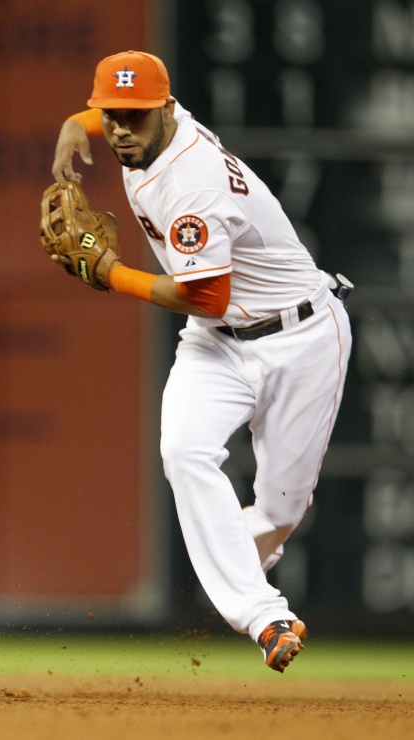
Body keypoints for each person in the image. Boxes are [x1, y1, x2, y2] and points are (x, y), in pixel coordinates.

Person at [50, 51, 352, 671]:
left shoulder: (194, 183)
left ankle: (239, 566)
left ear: (165, 111)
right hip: (216, 343)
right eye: (113, 115)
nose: (121, 130)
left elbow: (203, 294)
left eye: (134, 117)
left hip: (302, 338)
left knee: (280, 510)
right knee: (184, 452)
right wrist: (71, 129)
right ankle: (264, 616)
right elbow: (100, 118)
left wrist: (112, 274)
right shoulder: (146, 128)